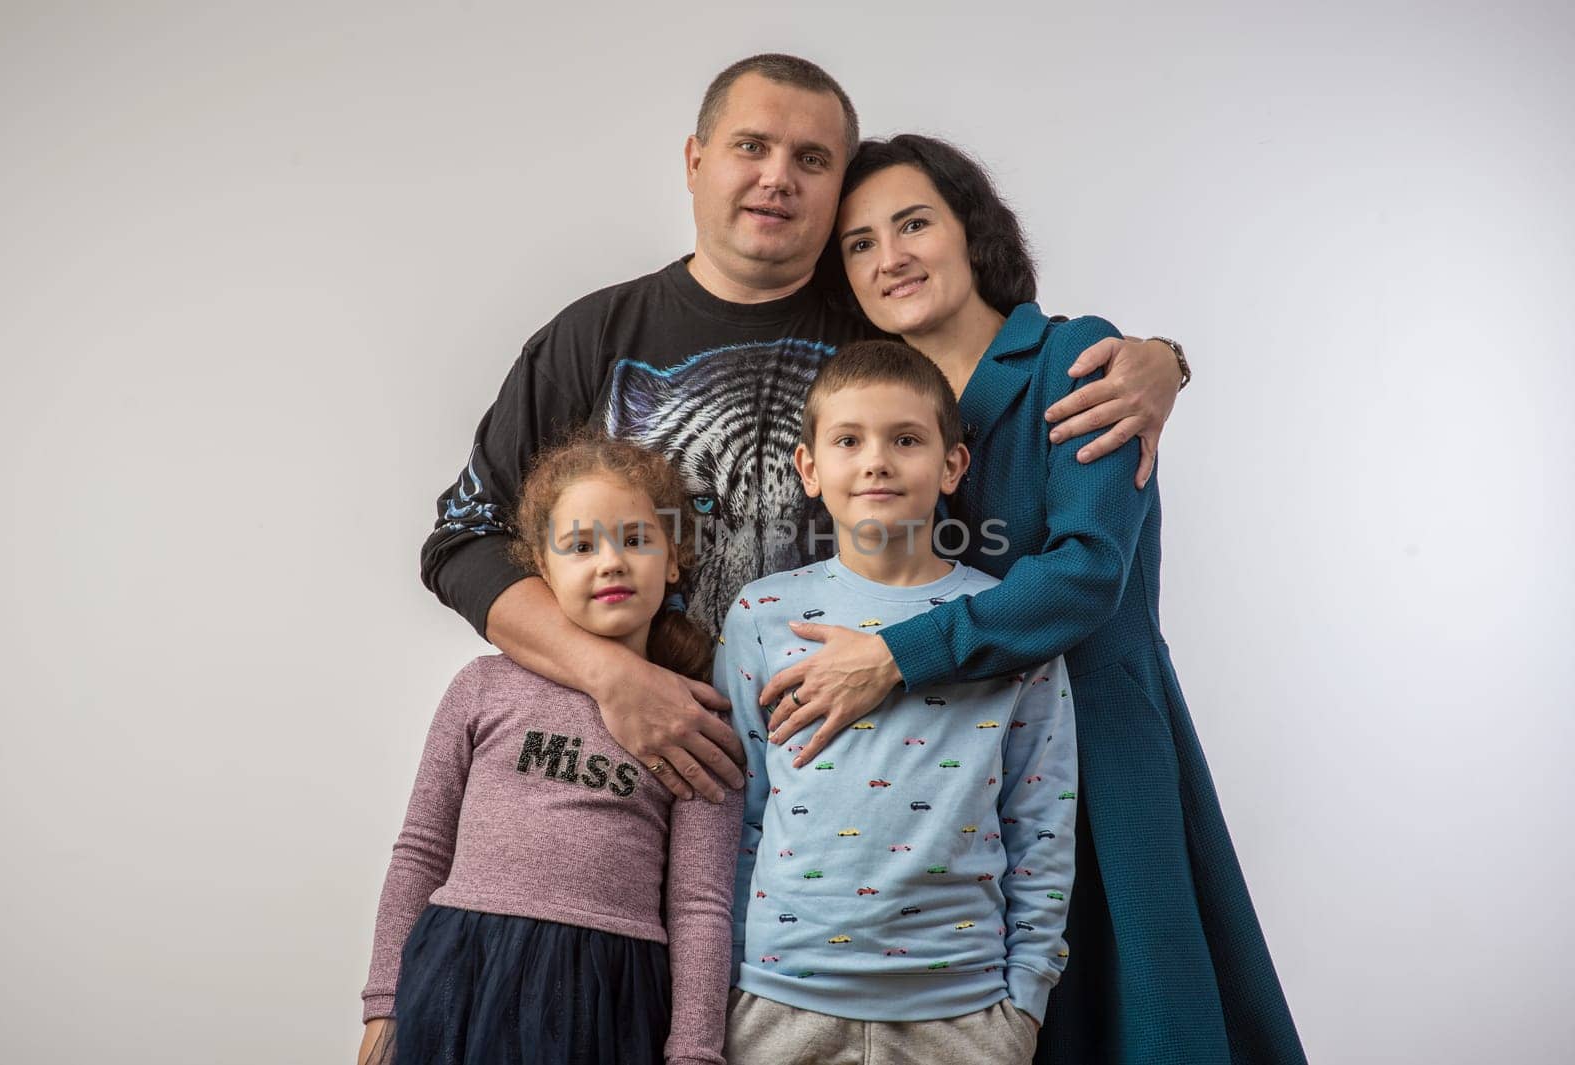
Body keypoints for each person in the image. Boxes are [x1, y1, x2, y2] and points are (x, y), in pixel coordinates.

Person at [418, 54, 1189, 802]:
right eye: (751, 146)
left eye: (813, 159)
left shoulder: (888, 335)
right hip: (634, 778)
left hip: (875, 782)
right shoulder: (593, 338)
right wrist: (609, 673)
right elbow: (462, 540)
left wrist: (1160, 362)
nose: (778, 177)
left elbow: (1008, 371)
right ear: (695, 160)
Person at [756, 134, 1306, 1063]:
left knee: (1134, 1016)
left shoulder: (1077, 358)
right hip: (946, 786)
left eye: (913, 223)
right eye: (857, 243)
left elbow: (1088, 571)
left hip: (1097, 746)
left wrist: (893, 656)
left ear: (973, 231)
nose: (888, 257)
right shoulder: (884, 407)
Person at [716, 339, 1078, 1065]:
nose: (876, 460)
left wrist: (1025, 1003)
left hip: (964, 1013)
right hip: (777, 1002)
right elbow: (737, 810)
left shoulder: (1006, 623)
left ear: (952, 464)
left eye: (905, 439)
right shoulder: (763, 614)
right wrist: (720, 985)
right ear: (810, 469)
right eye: (849, 440)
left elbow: (1042, 824)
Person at [359, 432, 743, 1065]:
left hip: (611, 995)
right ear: (542, 566)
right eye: (582, 546)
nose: (611, 562)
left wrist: (695, 1051)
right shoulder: (482, 688)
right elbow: (421, 851)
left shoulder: (694, 722)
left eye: (636, 540)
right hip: (462, 975)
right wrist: (383, 1007)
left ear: (674, 558)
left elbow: (702, 905)